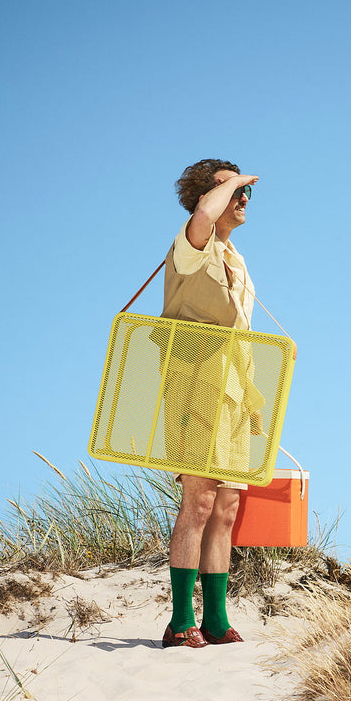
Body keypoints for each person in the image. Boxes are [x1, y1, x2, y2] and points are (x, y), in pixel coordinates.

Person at [160, 158, 260, 649]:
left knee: (226, 505)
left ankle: (216, 620)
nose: (242, 199)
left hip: (234, 388)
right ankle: (180, 620)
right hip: (196, 383)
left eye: (245, 192)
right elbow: (203, 215)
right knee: (198, 501)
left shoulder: (234, 257)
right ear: (207, 198)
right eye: (232, 191)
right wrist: (234, 180)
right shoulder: (191, 243)